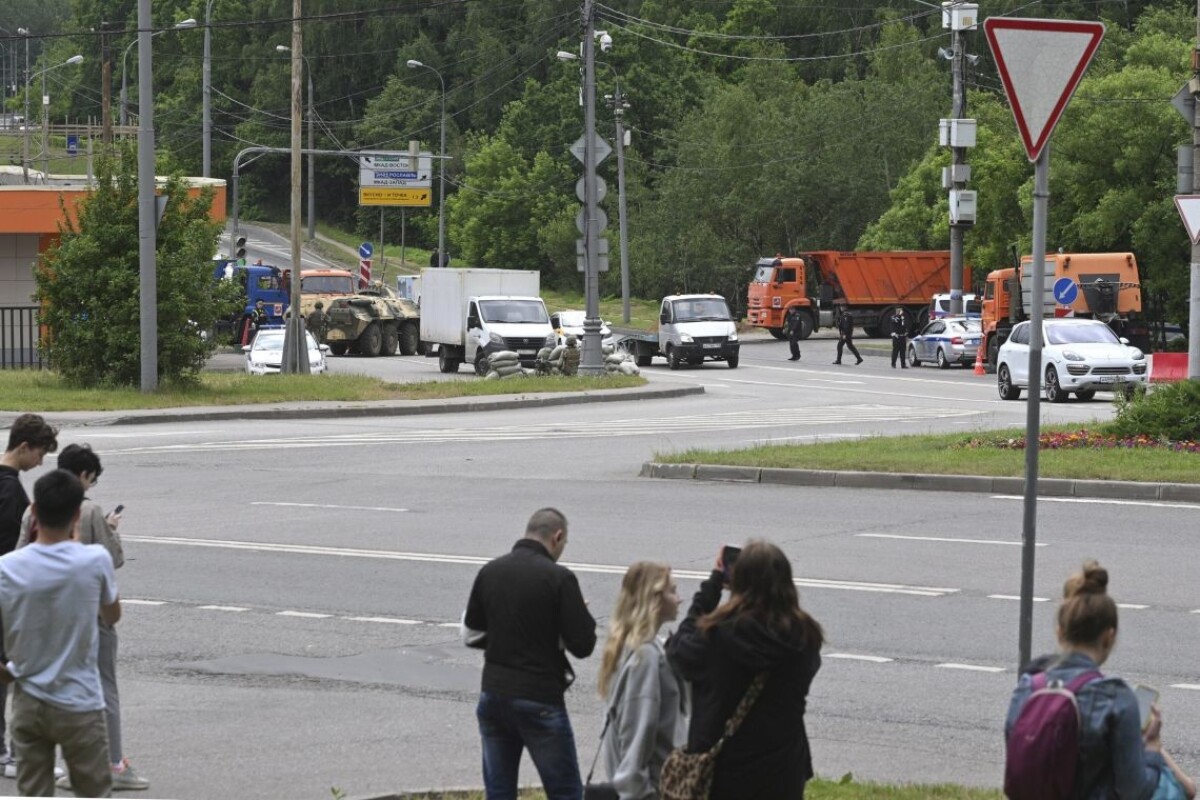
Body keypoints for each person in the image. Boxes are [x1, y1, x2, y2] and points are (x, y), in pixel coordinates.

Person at [1005, 560, 1196, 800]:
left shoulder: (1027, 688)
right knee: (1173, 791)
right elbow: (1134, 790)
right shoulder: (1115, 697)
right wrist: (1152, 748)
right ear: (1109, 637)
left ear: (1060, 632)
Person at [16, 445, 148, 793]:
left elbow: (18, 553)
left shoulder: (33, 511)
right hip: (88, 621)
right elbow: (112, 560)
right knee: (105, 686)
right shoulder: (88, 512)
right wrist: (111, 530)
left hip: (38, 623)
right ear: (86, 476)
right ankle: (115, 761)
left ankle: (59, 765)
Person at [666, 541, 824, 800]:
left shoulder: (720, 636)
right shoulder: (806, 637)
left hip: (726, 772)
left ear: (737, 582)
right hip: (783, 770)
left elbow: (679, 651)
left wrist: (713, 585)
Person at [0, 470, 120, 798]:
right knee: (94, 790)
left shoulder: (7, 567)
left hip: (29, 700)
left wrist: (9, 674)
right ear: (77, 514)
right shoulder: (94, 560)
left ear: (34, 512)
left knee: (34, 791)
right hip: (80, 700)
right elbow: (112, 615)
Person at [462, 508, 597, 800]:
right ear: (557, 537)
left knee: (499, 792)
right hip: (540, 700)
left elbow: (471, 634)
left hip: (493, 697)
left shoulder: (490, 571)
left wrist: (505, 638)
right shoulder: (559, 579)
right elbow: (583, 645)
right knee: (566, 792)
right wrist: (578, 616)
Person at [598, 562, 687, 800]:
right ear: (655, 599)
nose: (679, 599)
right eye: (673, 591)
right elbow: (637, 734)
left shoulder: (629, 645)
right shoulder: (645, 656)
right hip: (652, 790)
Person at [0, 414, 57, 777]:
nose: (39, 462)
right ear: (23, 447)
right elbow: (11, 552)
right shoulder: (11, 492)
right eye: (38, 454)